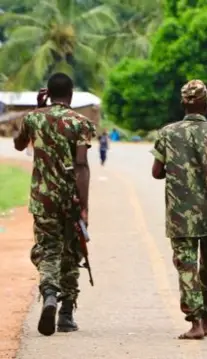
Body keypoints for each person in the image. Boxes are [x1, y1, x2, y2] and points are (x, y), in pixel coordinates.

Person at [150, 79, 207, 340]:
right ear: (206, 104)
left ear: (183, 104)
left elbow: (156, 173)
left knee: (186, 265)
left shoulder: (167, 133)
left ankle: (196, 323)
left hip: (180, 213)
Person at [13, 73, 95, 336]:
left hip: (43, 199)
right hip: (70, 199)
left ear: (47, 92)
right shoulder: (80, 122)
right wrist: (84, 205)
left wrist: (37, 109)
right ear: (71, 94)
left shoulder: (33, 118)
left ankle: (49, 293)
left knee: (48, 250)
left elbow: (17, 145)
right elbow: (81, 164)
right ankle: (66, 315)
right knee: (72, 252)